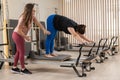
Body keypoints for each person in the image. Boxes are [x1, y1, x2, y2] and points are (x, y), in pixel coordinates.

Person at [11, 3, 50, 74]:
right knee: (22, 51)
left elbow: (38, 23)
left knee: (19, 51)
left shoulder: (32, 17)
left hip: (20, 35)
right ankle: (23, 69)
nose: (34, 11)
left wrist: (44, 29)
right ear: (29, 10)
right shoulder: (23, 18)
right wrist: (26, 37)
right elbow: (19, 30)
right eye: (33, 10)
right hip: (17, 35)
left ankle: (14, 67)